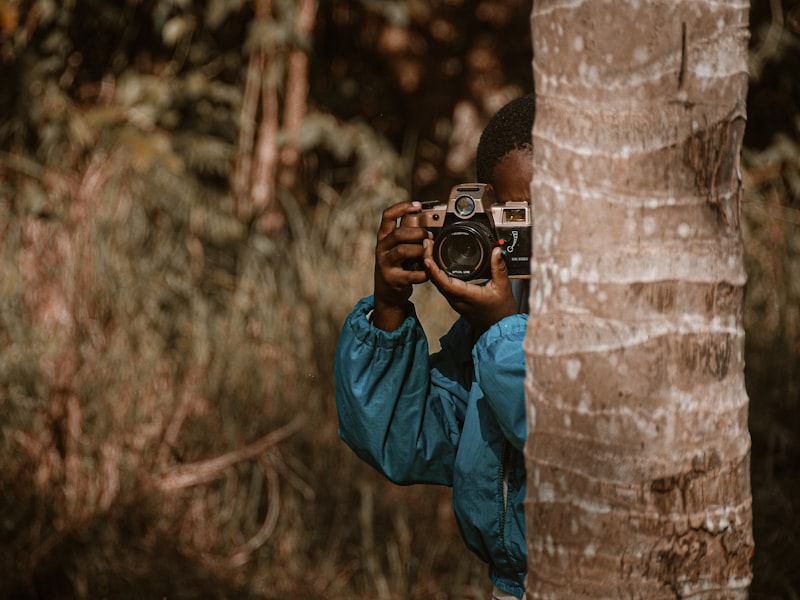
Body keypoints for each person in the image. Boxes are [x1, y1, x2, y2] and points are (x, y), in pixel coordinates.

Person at [334, 94, 535, 599]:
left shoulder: (630, 318)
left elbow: (558, 435)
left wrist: (501, 327)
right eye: (519, 217)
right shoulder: (502, 309)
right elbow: (403, 443)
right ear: (491, 215)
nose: (541, 237)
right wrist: (389, 306)